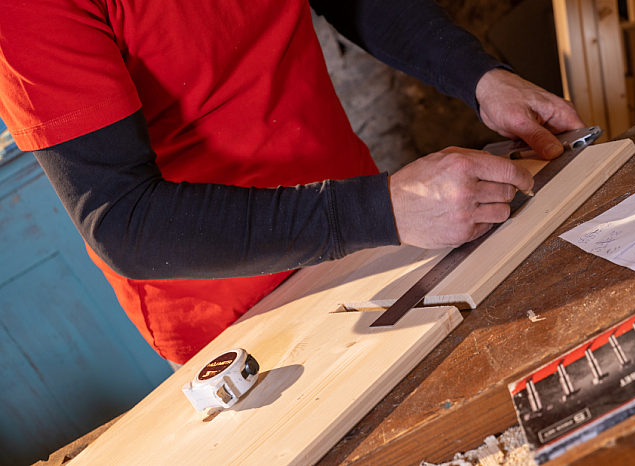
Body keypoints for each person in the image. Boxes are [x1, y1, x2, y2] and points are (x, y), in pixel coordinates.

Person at [0, 0, 584, 364]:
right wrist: (379, 209)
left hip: (374, 226)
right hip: (237, 303)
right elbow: (123, 221)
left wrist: (478, 77)